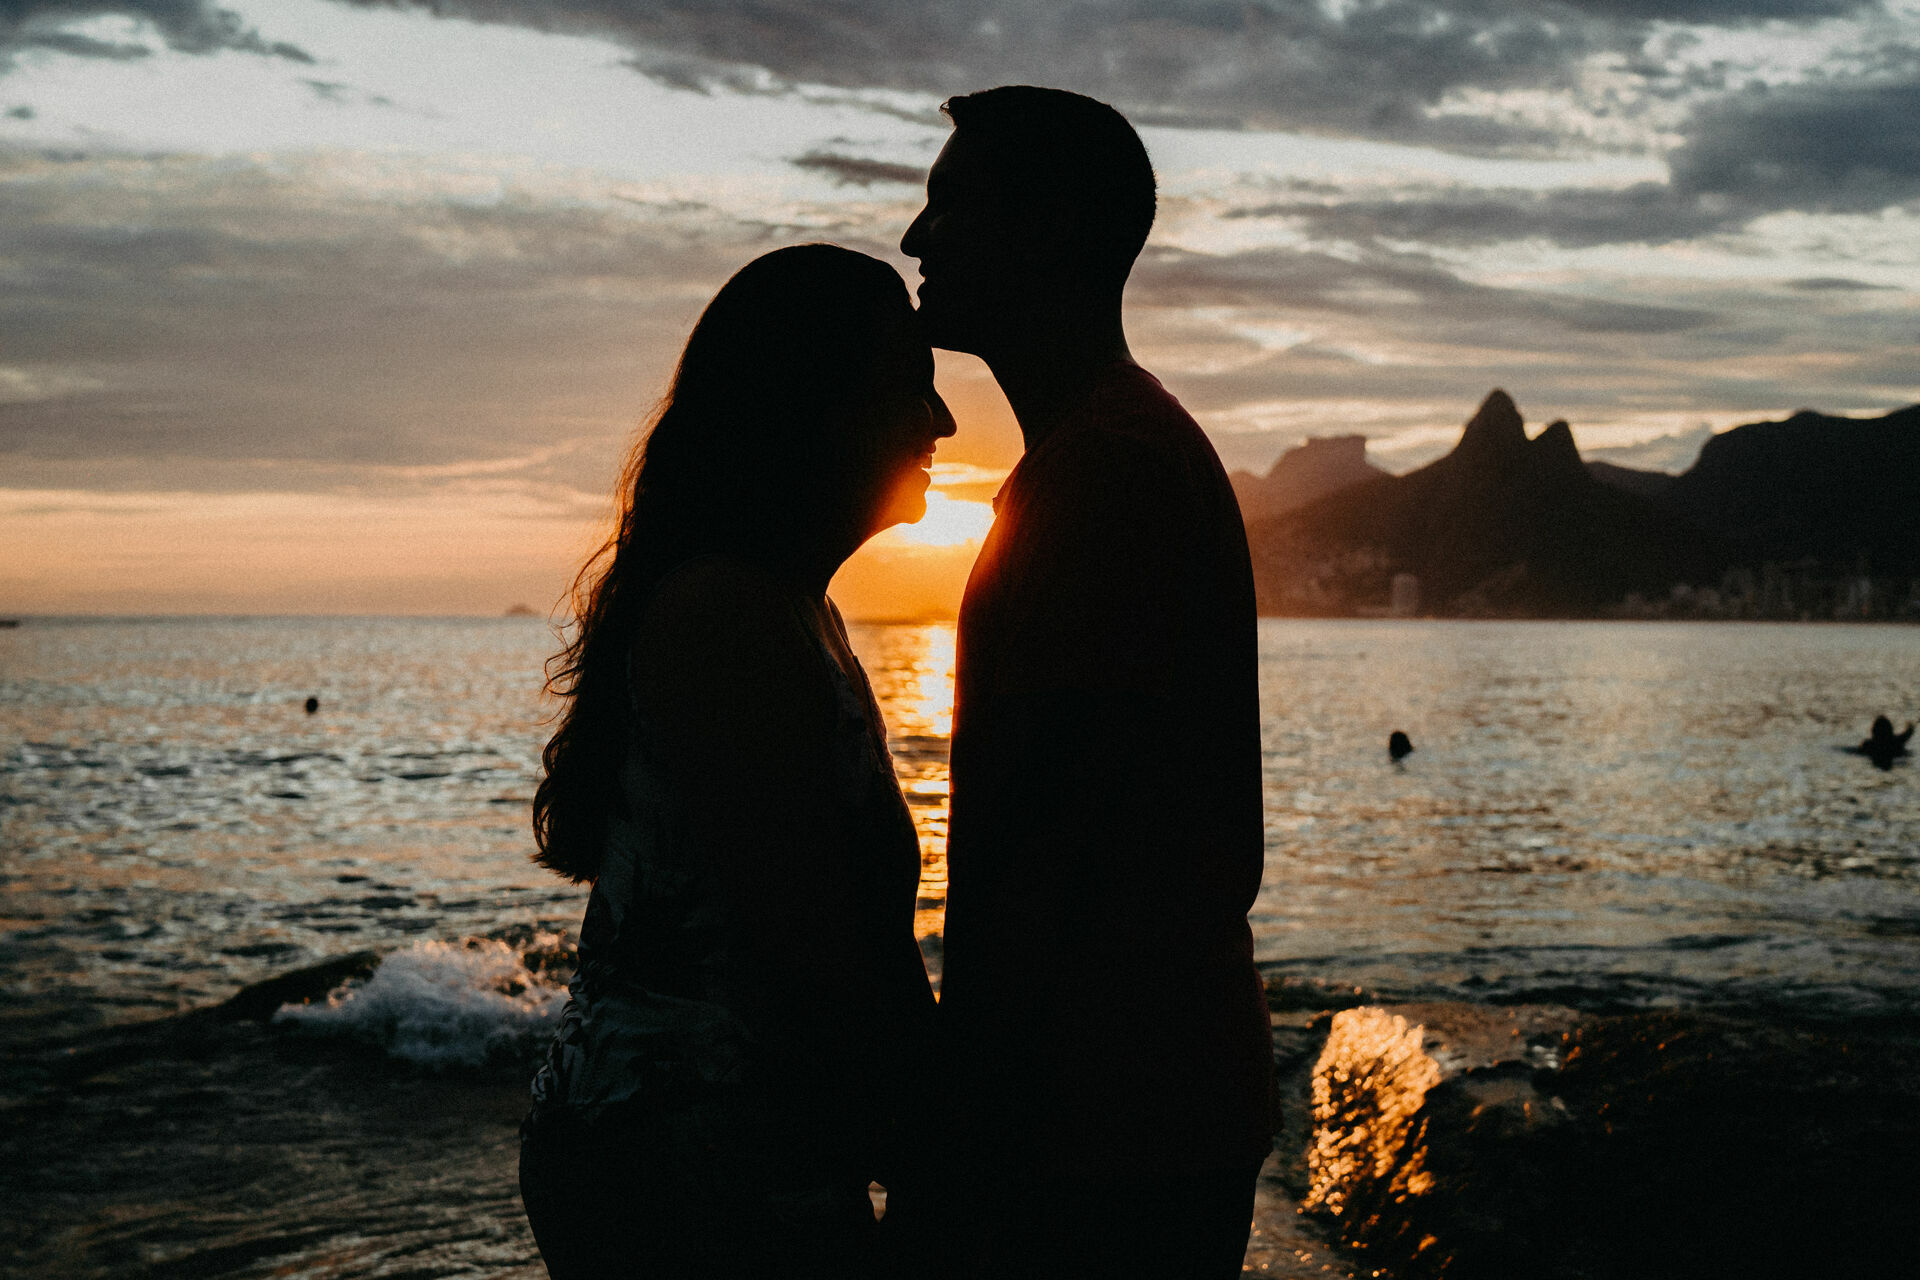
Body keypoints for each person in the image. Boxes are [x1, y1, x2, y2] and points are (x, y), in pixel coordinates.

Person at [899, 87, 1278, 1277]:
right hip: (1137, 1107)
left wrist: (955, 1146)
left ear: (1050, 229)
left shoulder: (1102, 477)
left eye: (950, 204)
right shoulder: (1106, 453)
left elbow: (1049, 851)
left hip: (1105, 1132)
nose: (916, 239)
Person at [518, 244, 951, 1279]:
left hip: (715, 1149)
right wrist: (951, 1154)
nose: (939, 422)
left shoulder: (792, 608)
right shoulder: (728, 617)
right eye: (911, 382)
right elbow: (807, 946)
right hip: (685, 1170)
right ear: (819, 405)